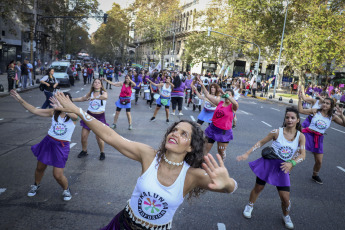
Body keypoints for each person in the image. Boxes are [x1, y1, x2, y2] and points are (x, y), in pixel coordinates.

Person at [53, 91, 238, 229]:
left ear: (190, 147)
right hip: (123, 225)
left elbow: (229, 188)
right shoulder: (148, 155)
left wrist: (228, 182)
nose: (175, 134)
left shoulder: (192, 175)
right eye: (174, 130)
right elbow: (110, 136)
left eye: (183, 134)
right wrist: (78, 110)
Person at [237, 107, 306, 230]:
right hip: (268, 164)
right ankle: (250, 205)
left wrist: (292, 163)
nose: (289, 120)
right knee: (258, 187)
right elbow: (261, 142)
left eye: (292, 118)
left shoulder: (301, 136)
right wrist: (247, 153)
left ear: (298, 120)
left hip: (283, 167)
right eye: (287, 117)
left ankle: (286, 215)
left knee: (285, 198)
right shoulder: (276, 132)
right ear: (284, 119)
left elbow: (303, 154)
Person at [10, 90, 78, 201]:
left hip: (61, 146)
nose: (59, 101)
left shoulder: (74, 115)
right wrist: (20, 100)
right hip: (48, 142)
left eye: (62, 100)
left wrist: (61, 107)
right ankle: (36, 185)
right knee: (40, 168)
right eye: (59, 99)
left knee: (57, 175)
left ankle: (66, 189)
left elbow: (74, 116)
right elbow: (34, 110)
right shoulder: (53, 112)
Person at [298, 91, 345, 184]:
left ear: (331, 106)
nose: (325, 104)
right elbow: (301, 110)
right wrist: (299, 99)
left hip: (318, 138)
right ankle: (286, 169)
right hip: (308, 135)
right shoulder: (315, 111)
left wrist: (342, 115)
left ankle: (315, 175)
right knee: (298, 153)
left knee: (319, 161)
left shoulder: (332, 117)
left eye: (327, 103)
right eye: (324, 102)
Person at [196, 76, 239, 160]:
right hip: (212, 129)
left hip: (224, 132)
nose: (226, 97)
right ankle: (200, 165)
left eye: (229, 95)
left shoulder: (233, 106)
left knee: (221, 153)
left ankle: (221, 165)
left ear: (232, 96)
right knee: (204, 151)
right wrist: (202, 85)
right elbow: (207, 95)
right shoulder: (219, 103)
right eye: (226, 95)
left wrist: (225, 94)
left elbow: (236, 104)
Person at [72, 79, 108, 160]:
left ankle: (102, 152)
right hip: (89, 116)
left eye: (99, 83)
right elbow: (82, 98)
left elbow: (105, 97)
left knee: (99, 138)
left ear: (101, 85)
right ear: (93, 84)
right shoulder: (90, 93)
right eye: (95, 82)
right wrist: (71, 99)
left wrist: (96, 97)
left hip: (100, 117)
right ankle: (84, 151)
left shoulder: (103, 93)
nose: (97, 84)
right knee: (83, 136)